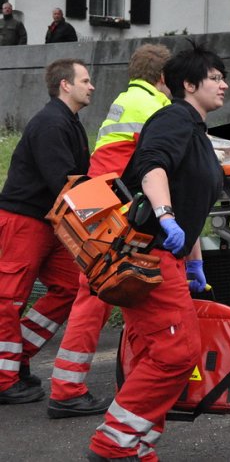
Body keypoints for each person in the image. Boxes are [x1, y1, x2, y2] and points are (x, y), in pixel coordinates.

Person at [88, 43, 226, 461]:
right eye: (215, 77)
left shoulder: (196, 131)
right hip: (149, 253)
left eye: (224, 78)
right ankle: (113, 444)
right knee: (175, 354)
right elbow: (152, 166)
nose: (224, 84)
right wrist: (165, 217)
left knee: (157, 352)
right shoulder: (173, 118)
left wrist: (196, 260)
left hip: (167, 257)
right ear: (189, 84)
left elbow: (193, 202)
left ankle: (137, 446)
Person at [47, 44, 171, 419]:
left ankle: (71, 385)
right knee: (103, 298)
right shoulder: (156, 107)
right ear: (163, 78)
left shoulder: (126, 100)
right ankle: (68, 389)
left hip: (97, 206)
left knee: (98, 297)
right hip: (117, 216)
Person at [0, 58, 93, 404]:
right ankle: (4, 379)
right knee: (9, 300)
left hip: (49, 222)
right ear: (65, 85)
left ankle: (16, 354)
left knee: (70, 287)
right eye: (85, 80)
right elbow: (65, 183)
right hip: (24, 220)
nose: (91, 85)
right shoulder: (52, 124)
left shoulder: (68, 122)